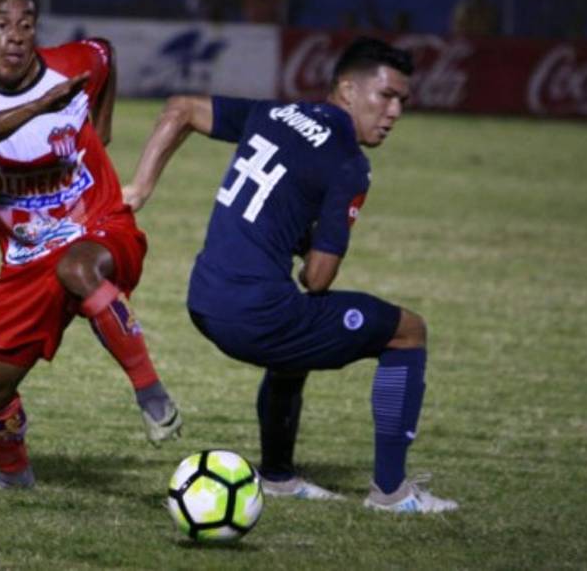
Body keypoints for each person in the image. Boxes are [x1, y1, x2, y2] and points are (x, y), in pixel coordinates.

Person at [122, 37, 457, 513]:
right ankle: (392, 492)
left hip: (203, 297)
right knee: (408, 331)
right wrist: (314, 241)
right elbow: (317, 279)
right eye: (386, 96)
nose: (395, 112)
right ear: (347, 89)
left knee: (298, 335)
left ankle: (278, 477)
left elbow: (181, 108)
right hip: (254, 314)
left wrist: (139, 187)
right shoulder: (349, 163)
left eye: (402, 100)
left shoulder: (274, 112)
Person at [0, 0, 183, 490]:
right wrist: (41, 106)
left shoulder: (73, 63)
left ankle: (150, 392)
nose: (16, 36)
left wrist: (101, 126)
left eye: (26, 24)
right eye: (0, 25)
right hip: (27, 258)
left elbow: (104, 53)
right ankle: (14, 475)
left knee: (78, 267)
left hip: (100, 226)